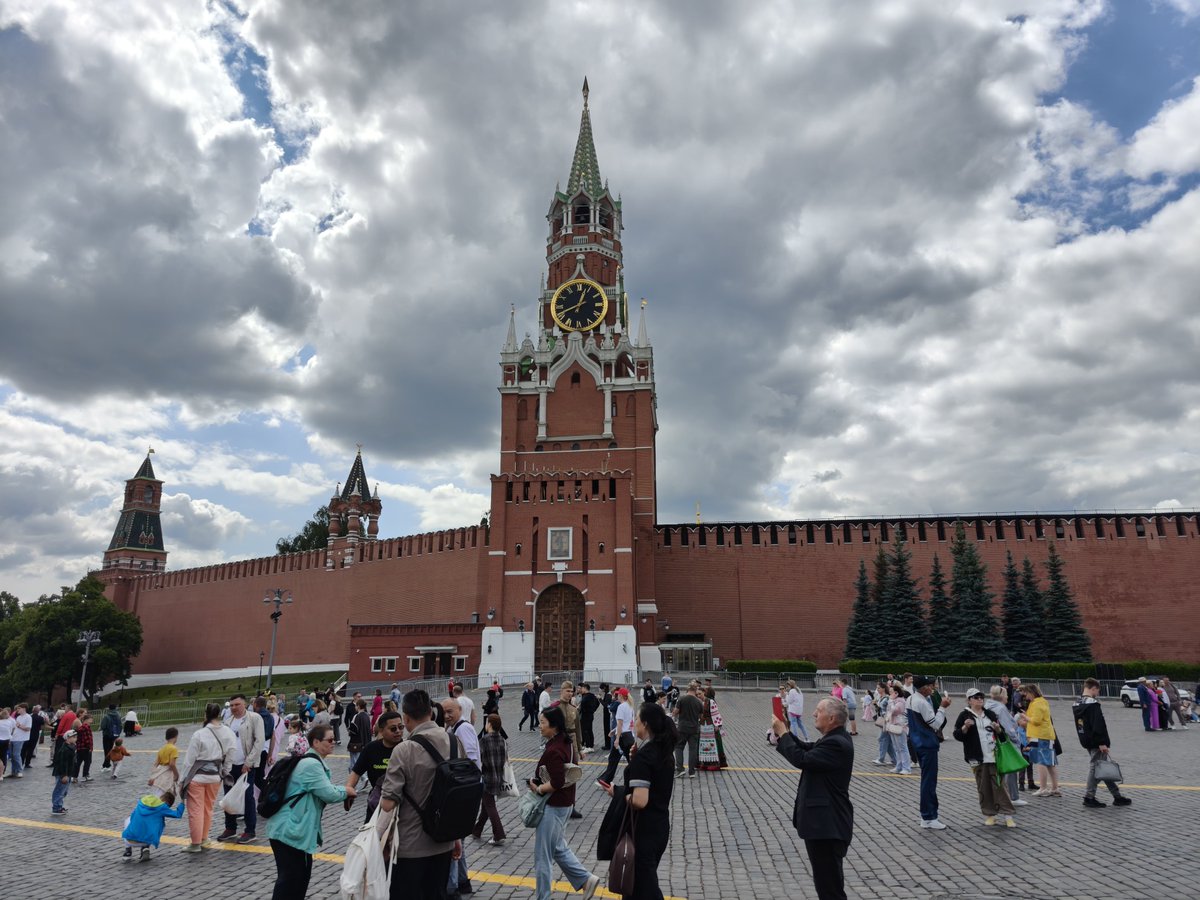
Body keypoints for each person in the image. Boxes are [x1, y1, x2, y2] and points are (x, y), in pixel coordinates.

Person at [377, 690, 464, 900]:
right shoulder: (454, 742)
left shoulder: (404, 749)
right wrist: (456, 837)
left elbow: (389, 803)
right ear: (431, 713)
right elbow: (457, 793)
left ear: (406, 718)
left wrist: (377, 840)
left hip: (410, 846)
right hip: (443, 841)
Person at [771, 697, 854, 900]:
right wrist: (786, 732)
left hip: (827, 826)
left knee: (830, 889)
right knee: (826, 885)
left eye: (818, 711)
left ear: (832, 718)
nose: (814, 714)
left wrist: (783, 733)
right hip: (824, 825)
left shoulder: (836, 743)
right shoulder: (833, 738)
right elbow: (807, 748)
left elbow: (803, 759)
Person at [601, 702, 677, 900]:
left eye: (636, 720)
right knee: (635, 887)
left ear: (645, 724)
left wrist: (619, 794)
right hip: (659, 826)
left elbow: (640, 800)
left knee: (644, 888)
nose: (633, 724)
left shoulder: (646, 755)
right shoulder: (663, 751)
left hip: (644, 830)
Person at [267, 724, 352, 899]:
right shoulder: (311, 765)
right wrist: (348, 791)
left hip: (291, 830)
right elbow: (329, 794)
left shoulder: (311, 761)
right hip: (290, 832)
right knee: (291, 881)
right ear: (316, 742)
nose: (333, 742)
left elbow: (323, 788)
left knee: (296, 880)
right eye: (329, 739)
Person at [529, 707, 601, 900]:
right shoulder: (566, 743)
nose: (540, 726)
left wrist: (537, 788)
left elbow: (557, 782)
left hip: (553, 806)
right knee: (559, 848)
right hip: (565, 803)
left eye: (543, 722)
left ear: (554, 726)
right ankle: (586, 880)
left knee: (543, 856)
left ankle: (543, 897)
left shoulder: (554, 749)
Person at [953, 689, 1016, 827]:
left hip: (994, 755)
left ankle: (1008, 815)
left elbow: (1002, 734)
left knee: (1000, 786)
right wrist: (965, 727)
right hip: (976, 757)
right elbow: (957, 735)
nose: (980, 699)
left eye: (981, 697)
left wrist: (998, 729)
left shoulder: (990, 714)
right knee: (983, 787)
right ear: (969, 700)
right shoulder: (964, 715)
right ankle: (990, 814)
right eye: (976, 697)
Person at [179, 702, 236, 853]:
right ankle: (204, 839)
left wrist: (182, 779)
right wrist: (224, 771)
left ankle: (195, 843)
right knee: (208, 808)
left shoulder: (199, 734)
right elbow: (231, 755)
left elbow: (189, 761)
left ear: (206, 714)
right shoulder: (228, 732)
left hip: (197, 777)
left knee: (195, 811)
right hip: (215, 776)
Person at [1074, 677, 1133, 809]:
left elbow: (1081, 725)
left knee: (1103, 768)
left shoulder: (1077, 703)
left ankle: (1117, 796)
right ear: (1093, 688)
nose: (1097, 693)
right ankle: (1089, 797)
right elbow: (1098, 724)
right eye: (1097, 691)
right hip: (1096, 741)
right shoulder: (1093, 704)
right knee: (1095, 768)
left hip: (1086, 739)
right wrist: (1102, 742)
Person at [443, 697, 480, 899]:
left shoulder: (462, 728)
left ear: (460, 709)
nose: (448, 715)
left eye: (451, 711)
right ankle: (463, 881)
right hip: (464, 789)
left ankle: (452, 887)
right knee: (459, 839)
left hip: (463, 789)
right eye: (445, 712)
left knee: (453, 839)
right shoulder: (454, 728)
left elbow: (470, 759)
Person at [217, 693, 266, 844]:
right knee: (228, 796)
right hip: (230, 765)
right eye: (231, 705)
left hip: (247, 765)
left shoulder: (254, 718)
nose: (234, 708)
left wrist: (249, 762)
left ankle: (250, 830)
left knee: (248, 796)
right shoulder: (227, 721)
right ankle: (230, 828)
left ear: (244, 704)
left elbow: (259, 741)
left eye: (237, 704)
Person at [907, 675, 952, 829]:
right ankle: (929, 816)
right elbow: (936, 724)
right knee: (929, 781)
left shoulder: (911, 699)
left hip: (917, 742)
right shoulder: (922, 702)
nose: (932, 687)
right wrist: (943, 707)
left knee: (927, 780)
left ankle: (927, 816)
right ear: (924, 687)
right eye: (930, 685)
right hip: (927, 744)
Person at [347, 710, 404, 822]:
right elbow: (356, 772)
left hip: (402, 806)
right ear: (382, 731)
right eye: (393, 728)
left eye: (401, 727)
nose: (398, 731)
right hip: (376, 803)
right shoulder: (371, 748)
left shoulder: (407, 748)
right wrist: (349, 788)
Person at [985, 686, 1026, 807]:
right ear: (1002, 696)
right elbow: (1009, 729)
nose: (1008, 696)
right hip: (1005, 741)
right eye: (1006, 694)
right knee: (1011, 768)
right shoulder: (1001, 708)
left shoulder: (987, 705)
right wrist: (1017, 740)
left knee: (998, 769)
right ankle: (1013, 796)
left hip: (993, 741)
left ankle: (1000, 795)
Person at [1018, 683, 1060, 797]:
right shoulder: (1041, 701)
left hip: (1040, 736)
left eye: (1026, 693)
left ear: (1032, 692)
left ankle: (1043, 788)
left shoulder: (1037, 703)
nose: (1025, 696)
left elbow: (1036, 720)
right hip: (1046, 735)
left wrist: (1025, 717)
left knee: (1041, 762)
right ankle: (1055, 788)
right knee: (1050, 763)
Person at [473, 713, 510, 845]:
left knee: (489, 805)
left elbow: (479, 759)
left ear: (489, 724)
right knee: (486, 806)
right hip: (498, 777)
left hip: (487, 777)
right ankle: (476, 830)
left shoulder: (484, 740)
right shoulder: (502, 740)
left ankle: (499, 834)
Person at [121, 790, 186, 862]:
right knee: (155, 823)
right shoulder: (162, 807)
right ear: (166, 803)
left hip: (129, 839)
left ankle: (128, 851)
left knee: (128, 820)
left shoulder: (143, 801)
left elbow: (133, 817)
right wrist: (182, 801)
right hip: (147, 840)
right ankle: (145, 847)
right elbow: (178, 814)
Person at [601, 687, 637, 784]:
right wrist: (614, 730)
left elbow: (620, 724)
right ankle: (636, 779)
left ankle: (605, 780)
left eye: (617, 694)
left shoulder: (621, 707)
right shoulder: (630, 706)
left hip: (622, 737)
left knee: (613, 759)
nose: (616, 696)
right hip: (629, 735)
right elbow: (627, 723)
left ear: (621, 695)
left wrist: (616, 739)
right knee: (631, 760)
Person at [672, 683, 703, 778]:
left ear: (688, 689)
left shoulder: (682, 699)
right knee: (693, 750)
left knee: (679, 747)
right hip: (694, 728)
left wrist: (675, 711)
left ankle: (680, 769)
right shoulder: (699, 702)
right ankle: (692, 772)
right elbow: (701, 717)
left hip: (682, 727)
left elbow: (675, 712)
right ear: (695, 690)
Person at [699, 687, 729, 770]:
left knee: (714, 744)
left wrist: (717, 725)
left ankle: (716, 762)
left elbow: (716, 713)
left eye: (700, 694)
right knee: (703, 744)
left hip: (711, 725)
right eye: (697, 694)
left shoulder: (710, 701)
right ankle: (705, 762)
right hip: (703, 726)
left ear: (704, 692)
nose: (698, 695)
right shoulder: (699, 701)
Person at [885, 683, 911, 775]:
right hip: (892, 725)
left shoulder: (901, 701)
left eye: (892, 692)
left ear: (896, 693)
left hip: (900, 726)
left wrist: (891, 701)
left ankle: (906, 768)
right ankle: (899, 766)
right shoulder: (892, 700)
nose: (890, 694)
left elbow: (895, 710)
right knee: (896, 747)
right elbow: (888, 710)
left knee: (902, 747)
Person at [147, 727, 181, 797]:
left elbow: (156, 764)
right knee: (164, 796)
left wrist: (152, 776)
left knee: (157, 795)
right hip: (167, 775)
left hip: (159, 775)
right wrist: (176, 775)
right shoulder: (173, 748)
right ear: (176, 736)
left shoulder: (162, 749)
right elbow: (172, 764)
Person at [51, 729, 78, 815]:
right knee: (60, 790)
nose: (75, 739)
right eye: (73, 737)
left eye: (76, 737)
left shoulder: (71, 747)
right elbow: (63, 763)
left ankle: (59, 805)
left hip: (68, 772)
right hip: (63, 773)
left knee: (64, 790)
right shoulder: (65, 749)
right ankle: (56, 807)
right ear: (67, 738)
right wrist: (64, 775)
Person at [347, 698, 372, 770]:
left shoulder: (357, 716)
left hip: (356, 742)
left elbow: (353, 730)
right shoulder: (367, 715)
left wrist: (349, 731)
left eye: (356, 705)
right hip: (365, 741)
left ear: (358, 706)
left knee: (354, 761)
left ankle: (363, 777)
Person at [72, 711, 94, 782]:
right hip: (86, 748)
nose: (92, 720)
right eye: (91, 719)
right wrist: (90, 747)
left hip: (79, 748)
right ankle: (85, 775)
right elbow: (87, 738)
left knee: (78, 763)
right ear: (86, 719)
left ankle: (74, 776)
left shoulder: (81, 727)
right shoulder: (86, 727)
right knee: (87, 762)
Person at [98, 704, 122, 770]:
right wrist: (118, 733)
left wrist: (101, 728)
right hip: (114, 735)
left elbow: (103, 726)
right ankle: (106, 764)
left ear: (109, 709)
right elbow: (120, 725)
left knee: (106, 750)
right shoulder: (118, 716)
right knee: (110, 749)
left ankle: (107, 765)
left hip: (107, 735)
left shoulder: (106, 716)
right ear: (115, 708)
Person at [578, 683, 599, 751]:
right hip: (590, 715)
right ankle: (590, 745)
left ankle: (588, 746)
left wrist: (581, 709)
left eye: (582, 688)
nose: (581, 690)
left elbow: (583, 705)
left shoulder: (586, 696)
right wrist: (593, 710)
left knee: (586, 730)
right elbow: (597, 703)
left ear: (585, 688)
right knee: (589, 730)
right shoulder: (592, 696)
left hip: (585, 715)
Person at [600, 684, 614, 749]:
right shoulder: (607, 694)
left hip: (607, 715)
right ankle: (607, 744)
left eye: (601, 688)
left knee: (607, 729)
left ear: (604, 688)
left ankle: (608, 745)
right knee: (606, 729)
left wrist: (600, 699)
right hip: (606, 714)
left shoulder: (608, 695)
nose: (600, 690)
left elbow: (605, 705)